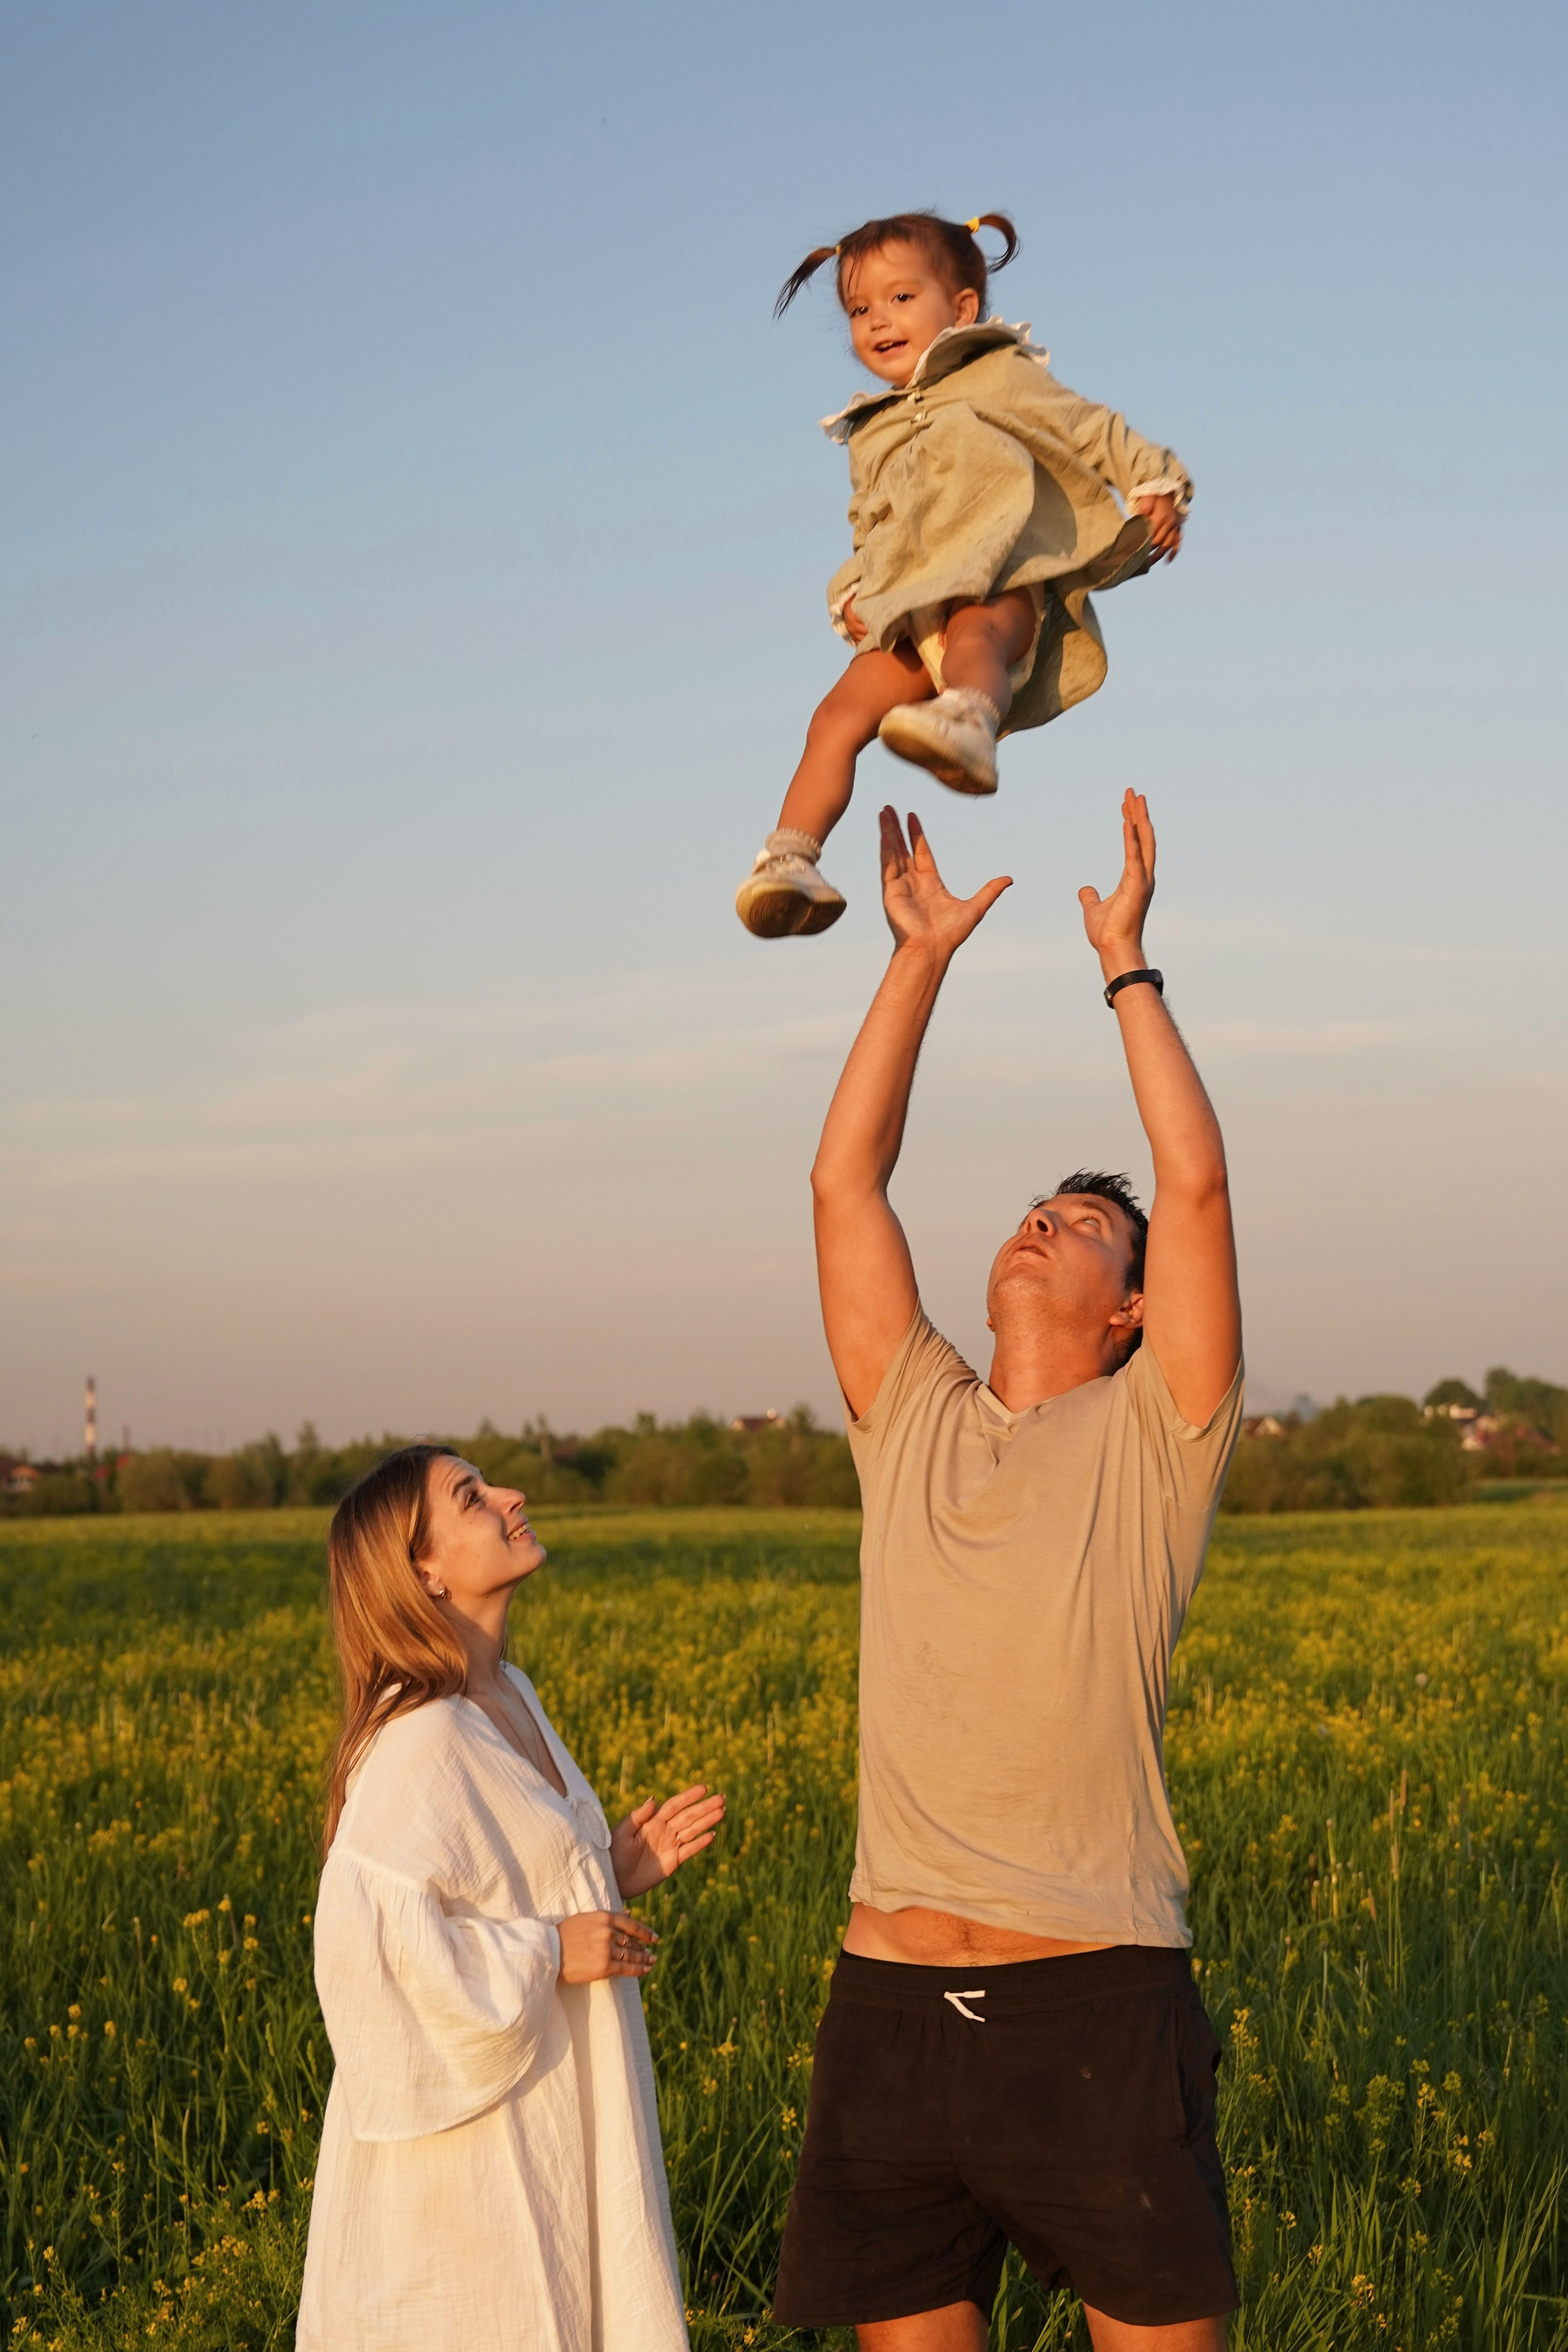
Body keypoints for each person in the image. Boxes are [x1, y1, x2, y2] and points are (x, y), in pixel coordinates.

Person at [774, 793, 1243, 2348]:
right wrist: (913, 957)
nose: (1049, 1218)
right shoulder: (907, 1409)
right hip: (887, 2006)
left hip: (1092, 1998)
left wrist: (1125, 967)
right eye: (1040, 1205)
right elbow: (846, 1184)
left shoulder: (1153, 1436)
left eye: (1086, 1226)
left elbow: (1194, 1189)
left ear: (1130, 1307)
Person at [295, 1446, 725, 2352]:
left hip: (557, 2116)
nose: (511, 1497)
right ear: (424, 1568)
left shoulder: (509, 1695)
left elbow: (494, 1891)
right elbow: (365, 1955)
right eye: (472, 1497)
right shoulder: (418, 1738)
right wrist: (549, 1952)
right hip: (474, 2167)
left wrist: (606, 1871)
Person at [735, 211, 1191, 939]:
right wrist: (850, 591)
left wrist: (1154, 482)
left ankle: (969, 719)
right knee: (837, 717)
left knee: (977, 631)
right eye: (859, 309)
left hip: (1000, 580)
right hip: (913, 613)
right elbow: (872, 525)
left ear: (963, 309)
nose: (877, 320)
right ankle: (791, 859)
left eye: (900, 298)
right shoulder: (872, 429)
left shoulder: (995, 373)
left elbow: (1087, 427)